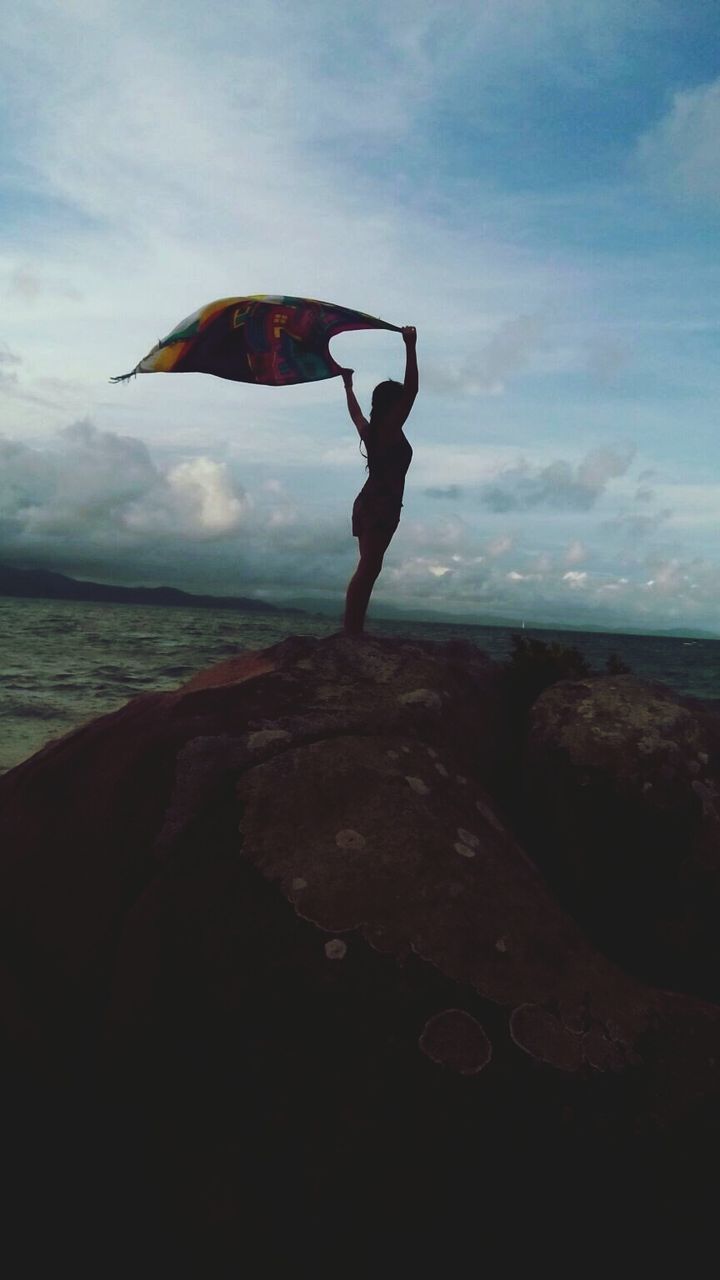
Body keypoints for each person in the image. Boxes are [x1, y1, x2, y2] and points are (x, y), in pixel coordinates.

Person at [341, 326, 418, 634]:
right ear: (392, 405)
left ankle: (354, 627)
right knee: (369, 567)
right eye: (399, 402)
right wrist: (410, 345)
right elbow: (412, 390)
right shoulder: (387, 429)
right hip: (379, 504)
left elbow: (356, 415)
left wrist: (348, 386)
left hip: (374, 502)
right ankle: (352, 631)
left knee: (370, 567)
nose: (405, 406)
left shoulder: (373, 431)